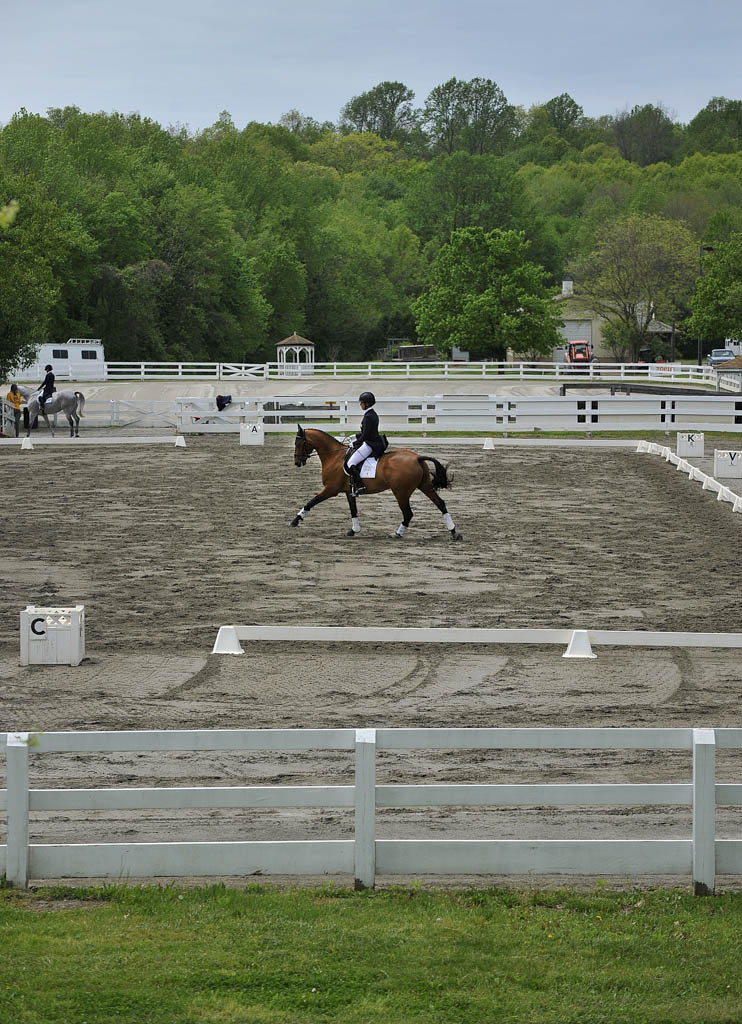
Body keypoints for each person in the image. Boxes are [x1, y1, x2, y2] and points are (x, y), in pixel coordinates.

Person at [345, 391, 386, 496]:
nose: (360, 405)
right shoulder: (372, 414)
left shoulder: (368, 416)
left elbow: (366, 436)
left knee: (350, 463)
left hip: (370, 445)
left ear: (366, 404)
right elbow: (367, 432)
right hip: (373, 441)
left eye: (361, 403)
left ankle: (360, 486)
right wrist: (354, 436)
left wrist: (354, 444)